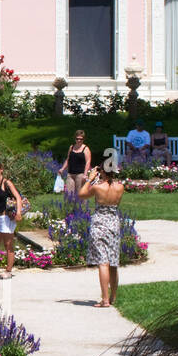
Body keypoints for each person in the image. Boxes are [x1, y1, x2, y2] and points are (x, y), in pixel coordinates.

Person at [78, 165, 125, 307]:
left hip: (99, 224)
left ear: (102, 172)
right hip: (114, 224)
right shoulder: (120, 187)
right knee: (113, 263)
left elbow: (81, 194)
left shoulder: (98, 187)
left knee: (103, 262)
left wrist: (90, 179)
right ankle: (113, 297)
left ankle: (105, 300)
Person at [0, 161, 23, 278]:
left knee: (8, 245)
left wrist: (18, 213)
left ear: (1, 169)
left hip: (7, 218)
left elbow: (18, 197)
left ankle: (8, 270)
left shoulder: (6, 183)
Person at [60, 130, 92, 195]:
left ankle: (82, 205)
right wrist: (62, 169)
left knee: (80, 194)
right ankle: (70, 205)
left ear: (83, 139)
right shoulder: (71, 147)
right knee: (69, 194)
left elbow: (88, 162)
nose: (79, 140)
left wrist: (85, 174)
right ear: (75, 139)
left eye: (81, 139)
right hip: (70, 174)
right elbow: (68, 159)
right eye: (77, 139)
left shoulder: (86, 149)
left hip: (80, 174)